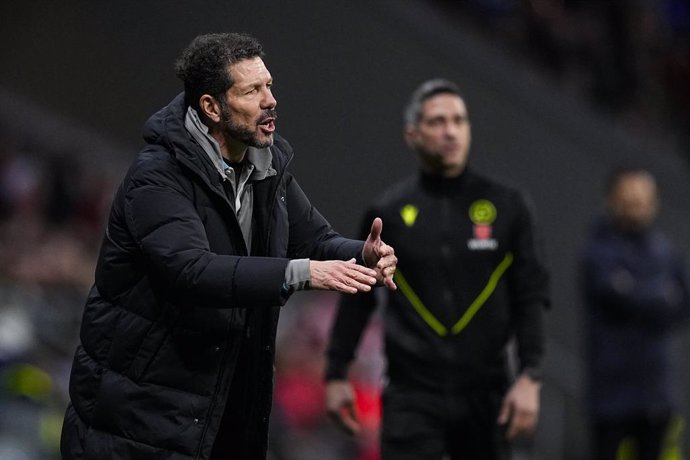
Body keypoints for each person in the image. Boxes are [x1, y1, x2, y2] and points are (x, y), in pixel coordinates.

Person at [59, 32, 397, 460]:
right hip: (138, 423)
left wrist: (362, 255)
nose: (270, 100)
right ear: (211, 107)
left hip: (217, 415)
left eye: (269, 85)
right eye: (252, 90)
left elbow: (317, 240)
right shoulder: (158, 177)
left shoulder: (268, 168)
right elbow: (192, 271)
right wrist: (303, 272)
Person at [324, 78, 550, 460]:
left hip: (487, 391)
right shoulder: (389, 212)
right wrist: (335, 373)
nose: (451, 131)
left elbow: (532, 296)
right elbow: (357, 296)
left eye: (459, 121)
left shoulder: (509, 207)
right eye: (438, 121)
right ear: (412, 134)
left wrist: (530, 376)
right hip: (412, 393)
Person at [581, 167, 690, 460]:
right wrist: (658, 294)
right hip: (610, 397)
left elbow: (680, 303)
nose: (638, 204)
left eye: (644, 198)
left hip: (656, 395)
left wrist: (636, 290)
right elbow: (617, 295)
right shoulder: (597, 251)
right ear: (612, 199)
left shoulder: (667, 251)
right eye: (630, 197)